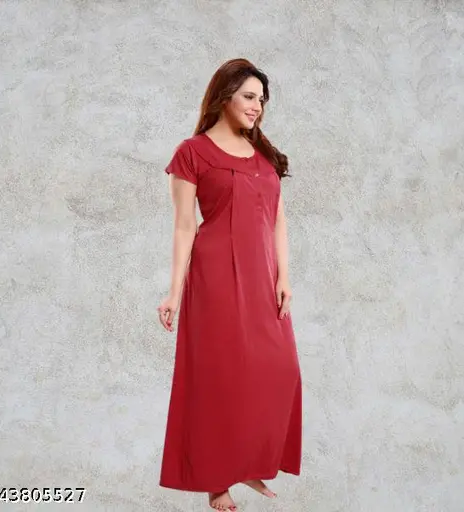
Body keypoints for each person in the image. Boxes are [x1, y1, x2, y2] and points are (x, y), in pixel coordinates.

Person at [157, 58, 302, 511]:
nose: (257, 106)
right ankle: (217, 482)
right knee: (219, 375)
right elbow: (184, 226)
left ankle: (249, 462)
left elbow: (277, 220)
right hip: (214, 274)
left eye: (261, 99)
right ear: (224, 97)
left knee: (280, 369)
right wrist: (174, 292)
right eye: (249, 97)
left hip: (263, 277)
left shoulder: (264, 155)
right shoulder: (192, 152)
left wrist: (284, 276)